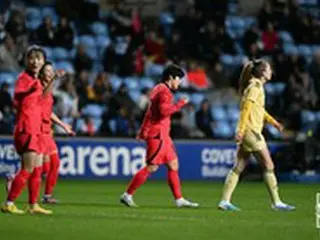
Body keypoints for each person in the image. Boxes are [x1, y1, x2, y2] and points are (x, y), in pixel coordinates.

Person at [217, 59, 295, 211]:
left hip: (248, 131)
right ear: (263, 72)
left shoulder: (254, 86)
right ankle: (277, 202)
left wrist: (274, 123)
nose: (271, 71)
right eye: (269, 69)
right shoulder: (255, 87)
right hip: (251, 132)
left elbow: (259, 110)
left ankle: (224, 201)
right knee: (269, 165)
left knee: (238, 166)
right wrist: (240, 130)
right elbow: (246, 109)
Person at [120, 65, 199, 208]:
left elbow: (150, 112)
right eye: (179, 79)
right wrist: (180, 104)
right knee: (152, 167)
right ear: (171, 78)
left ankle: (179, 199)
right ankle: (127, 194)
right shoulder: (165, 93)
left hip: (163, 136)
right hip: (158, 136)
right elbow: (163, 112)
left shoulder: (159, 89)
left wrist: (143, 130)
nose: (180, 82)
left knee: (173, 164)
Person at [1, 46, 52, 215]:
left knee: (37, 170)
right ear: (26, 60)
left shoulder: (39, 81)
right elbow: (18, 95)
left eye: (39, 58)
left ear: (43, 62)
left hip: (36, 129)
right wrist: (30, 89)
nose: (35, 61)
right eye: (32, 58)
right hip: (27, 128)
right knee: (28, 168)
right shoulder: (24, 78)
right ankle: (8, 202)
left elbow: (43, 99)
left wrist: (51, 81)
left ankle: (33, 205)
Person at [38, 61, 75, 203]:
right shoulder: (39, 86)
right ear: (41, 73)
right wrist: (54, 79)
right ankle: (15, 180)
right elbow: (42, 96)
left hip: (47, 130)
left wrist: (63, 125)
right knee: (43, 167)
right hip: (39, 130)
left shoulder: (50, 89)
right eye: (47, 71)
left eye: (51, 70)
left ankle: (47, 195)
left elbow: (48, 111)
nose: (50, 73)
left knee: (52, 165)